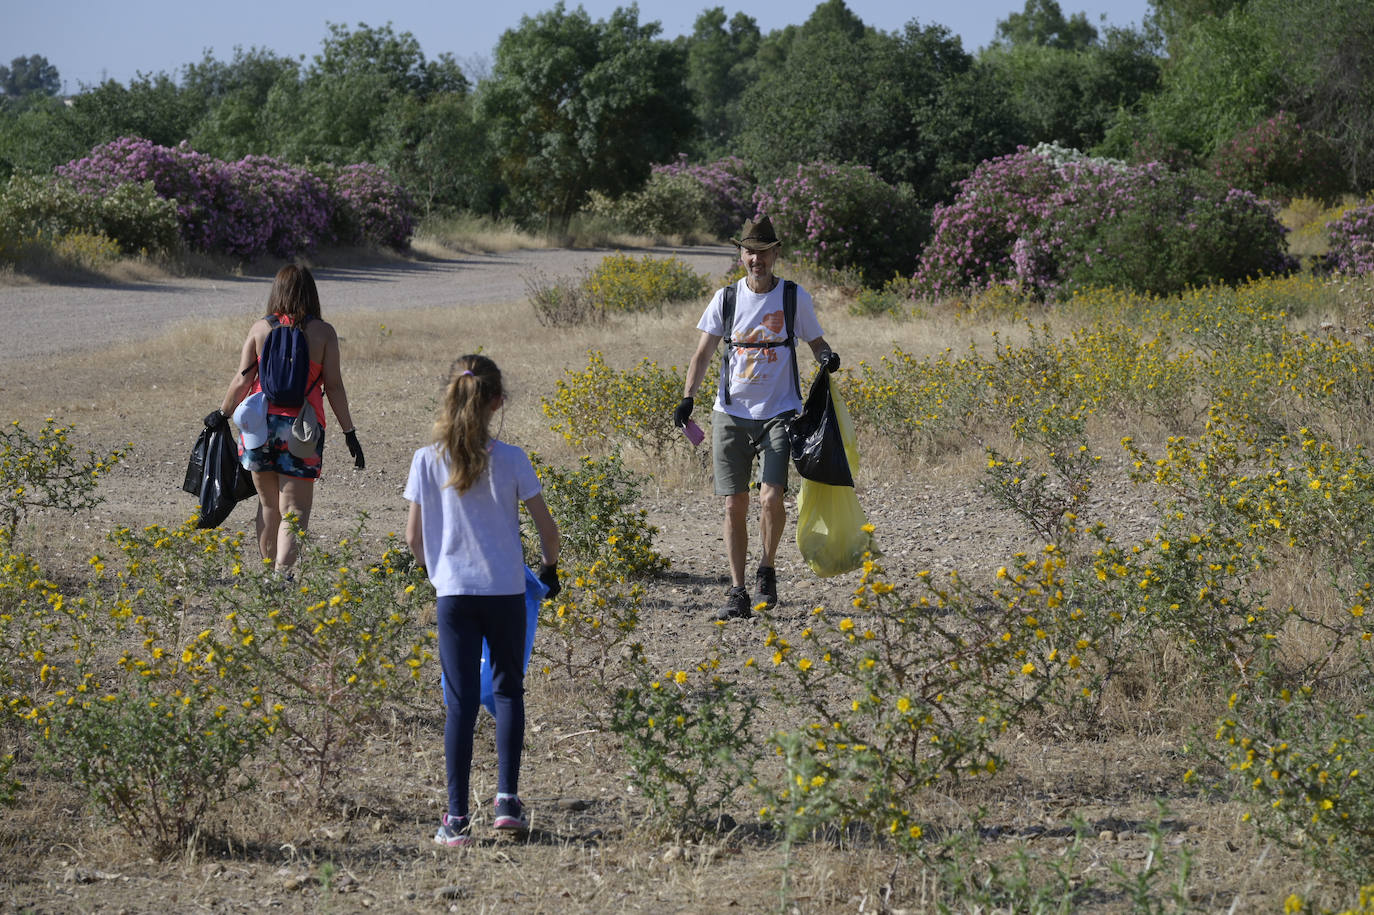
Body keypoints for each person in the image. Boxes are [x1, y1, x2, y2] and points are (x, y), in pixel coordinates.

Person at [404, 355, 561, 847]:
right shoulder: (512, 458)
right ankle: (507, 802)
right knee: (509, 690)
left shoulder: (427, 459)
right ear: (497, 402)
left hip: (454, 594)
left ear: (450, 395)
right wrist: (549, 569)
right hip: (506, 592)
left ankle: (455, 820)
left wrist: (437, 571)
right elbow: (546, 529)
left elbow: (413, 538)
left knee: (460, 704)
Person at [674, 215, 840, 621]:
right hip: (729, 414)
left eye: (763, 252)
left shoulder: (793, 297)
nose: (756, 259)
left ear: (775, 254)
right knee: (734, 504)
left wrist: (826, 356)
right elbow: (703, 353)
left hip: (779, 413)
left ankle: (766, 569)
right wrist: (687, 398)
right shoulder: (725, 299)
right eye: (750, 251)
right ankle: (737, 591)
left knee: (770, 497)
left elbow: (814, 340)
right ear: (741, 255)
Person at [205, 264, 364, 573]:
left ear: (277, 291)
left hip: (258, 427)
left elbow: (242, 379)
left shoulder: (260, 329)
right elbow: (333, 386)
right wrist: (349, 431)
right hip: (301, 430)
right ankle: (282, 576)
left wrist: (222, 412)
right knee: (294, 509)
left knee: (268, 506)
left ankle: (267, 575)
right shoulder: (323, 333)